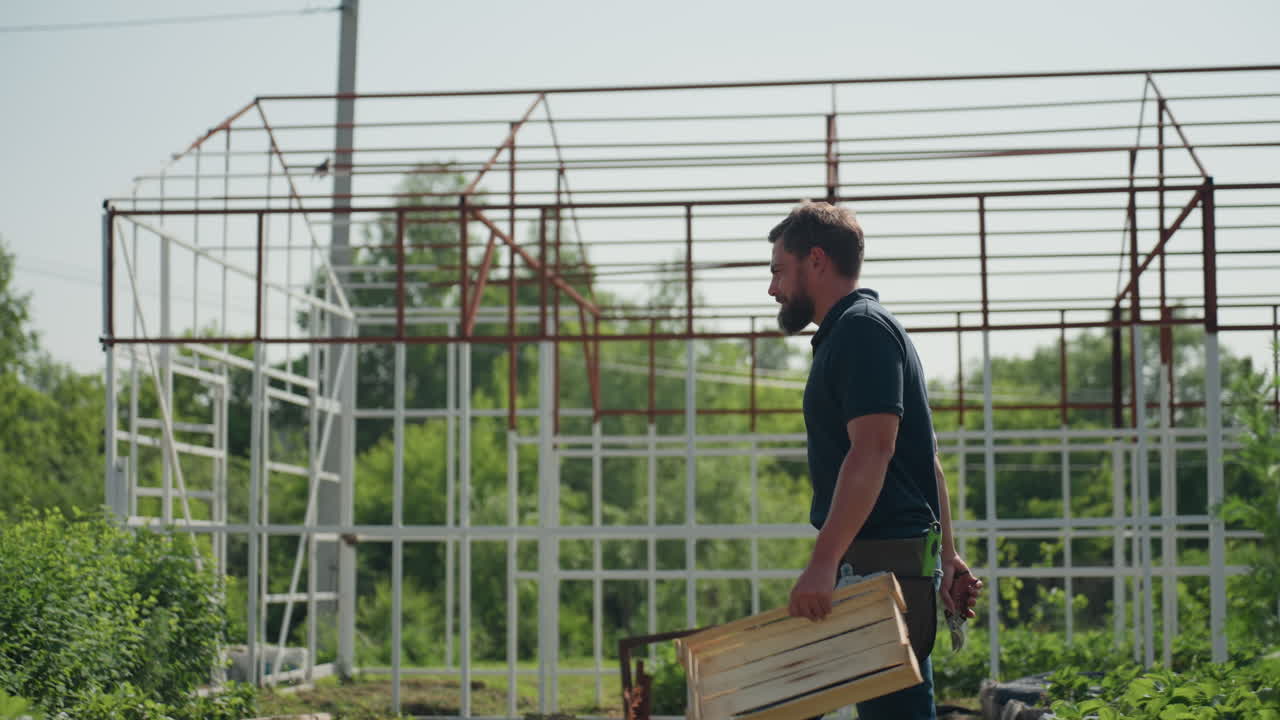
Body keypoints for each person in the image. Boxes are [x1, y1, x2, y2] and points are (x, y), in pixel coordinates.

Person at [766, 201, 983, 720]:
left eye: (777, 269)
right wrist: (946, 556)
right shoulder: (857, 332)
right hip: (890, 562)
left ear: (815, 260)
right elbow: (924, 460)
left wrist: (822, 565)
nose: (773, 288)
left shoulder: (862, 331)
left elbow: (874, 451)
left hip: (879, 566)